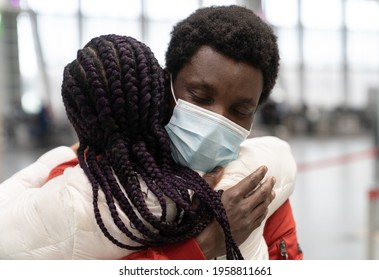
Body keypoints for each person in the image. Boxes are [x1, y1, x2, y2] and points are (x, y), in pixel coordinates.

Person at [0, 5, 302, 260]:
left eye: (240, 110)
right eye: (200, 96)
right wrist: (200, 247)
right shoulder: (87, 183)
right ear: (164, 84)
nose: (217, 119)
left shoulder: (256, 195)